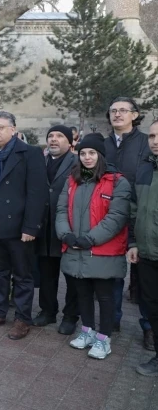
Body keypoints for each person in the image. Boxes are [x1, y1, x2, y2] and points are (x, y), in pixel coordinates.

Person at [0, 111, 48, 340]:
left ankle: (23, 318)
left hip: (19, 227)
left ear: (13, 130)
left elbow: (37, 193)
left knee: (23, 275)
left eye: (0, 127)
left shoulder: (30, 153)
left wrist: (31, 227)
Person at [56, 133, 130, 360]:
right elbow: (61, 210)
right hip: (76, 249)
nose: (87, 158)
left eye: (92, 153)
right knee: (83, 294)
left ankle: (103, 338)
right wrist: (65, 235)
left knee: (105, 296)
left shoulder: (118, 181)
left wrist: (90, 238)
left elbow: (116, 217)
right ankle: (87, 331)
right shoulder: (72, 180)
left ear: (100, 155)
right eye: (83, 153)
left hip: (102, 250)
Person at [104, 96, 151, 342]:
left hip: (140, 216)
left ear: (134, 115)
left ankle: (148, 327)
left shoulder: (146, 143)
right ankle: (111, 320)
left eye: (123, 110)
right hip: (108, 215)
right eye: (113, 111)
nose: (118, 114)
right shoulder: (103, 145)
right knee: (112, 271)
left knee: (144, 277)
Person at [35, 125, 80, 334]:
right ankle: (47, 311)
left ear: (70, 142)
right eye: (50, 136)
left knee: (71, 276)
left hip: (68, 228)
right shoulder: (39, 162)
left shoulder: (78, 163)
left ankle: (70, 316)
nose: (54, 139)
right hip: (43, 228)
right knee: (46, 273)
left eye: (60, 136)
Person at [129, 120, 158, 376]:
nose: (155, 141)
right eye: (151, 136)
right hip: (147, 253)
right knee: (151, 305)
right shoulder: (145, 170)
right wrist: (134, 242)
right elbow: (135, 209)